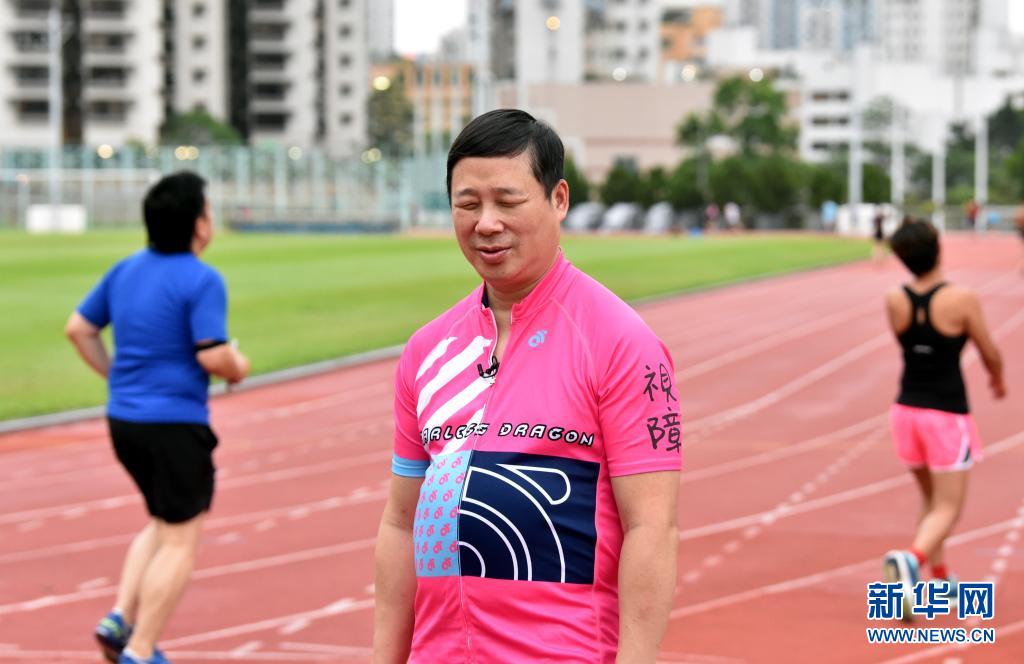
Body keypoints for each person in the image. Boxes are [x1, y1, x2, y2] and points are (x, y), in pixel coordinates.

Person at [373, 109, 682, 662]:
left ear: (558, 199)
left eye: (507, 201)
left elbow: (652, 528)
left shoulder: (620, 343)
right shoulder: (427, 351)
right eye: (468, 204)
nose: (486, 223)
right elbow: (400, 523)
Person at [65, 172, 250, 664]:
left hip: (124, 422)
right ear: (198, 224)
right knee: (182, 539)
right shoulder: (201, 278)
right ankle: (141, 649)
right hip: (174, 425)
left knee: (164, 520)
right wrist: (238, 364)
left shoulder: (124, 270)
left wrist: (115, 376)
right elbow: (212, 355)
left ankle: (120, 619)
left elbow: (79, 329)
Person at [882, 219, 1005, 619]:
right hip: (946, 415)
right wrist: (998, 379)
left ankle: (938, 579)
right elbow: (988, 350)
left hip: (905, 412)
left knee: (931, 501)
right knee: (949, 507)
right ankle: (911, 561)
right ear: (938, 249)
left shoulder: (895, 300)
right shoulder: (961, 299)